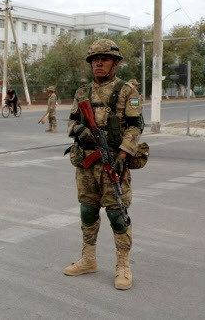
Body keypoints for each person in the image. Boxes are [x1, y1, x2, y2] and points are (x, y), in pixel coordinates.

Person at [64, 39, 143, 290]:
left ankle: (122, 264)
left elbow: (135, 126)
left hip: (113, 161)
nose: (98, 63)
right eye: (94, 59)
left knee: (117, 213)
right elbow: (71, 122)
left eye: (104, 59)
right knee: (87, 211)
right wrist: (80, 130)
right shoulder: (82, 92)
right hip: (86, 163)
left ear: (115, 63)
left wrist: (122, 156)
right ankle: (88, 259)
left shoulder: (127, 91)